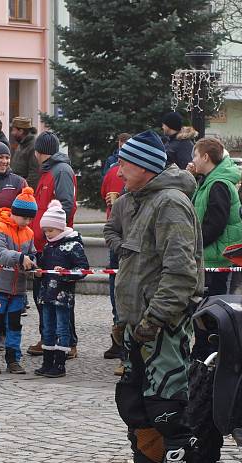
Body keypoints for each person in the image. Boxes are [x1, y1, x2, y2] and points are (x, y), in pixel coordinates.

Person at [99, 130, 201, 463]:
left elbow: (180, 274)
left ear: (143, 166)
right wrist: (128, 325)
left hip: (162, 330)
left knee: (168, 411)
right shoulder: (138, 202)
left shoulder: (170, 204)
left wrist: (152, 321)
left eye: (124, 163)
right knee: (136, 407)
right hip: (136, 329)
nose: (118, 170)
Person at [28, 131, 78, 358]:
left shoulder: (61, 171)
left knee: (61, 297)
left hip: (55, 244)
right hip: (42, 243)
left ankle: (68, 342)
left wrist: (54, 237)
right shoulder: (49, 171)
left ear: (39, 152)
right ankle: (47, 337)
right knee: (44, 296)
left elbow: (66, 205)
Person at [0, 187, 38, 374]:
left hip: (18, 289)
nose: (28, 222)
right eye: (26, 218)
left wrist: (33, 264)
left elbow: (32, 254)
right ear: (15, 213)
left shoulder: (28, 232)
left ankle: (13, 359)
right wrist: (20, 258)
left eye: (31, 219)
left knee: (14, 325)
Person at [34, 199, 89, 378]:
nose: (47, 234)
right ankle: (47, 362)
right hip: (47, 295)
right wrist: (38, 270)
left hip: (63, 297)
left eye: (50, 230)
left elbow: (83, 269)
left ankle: (60, 364)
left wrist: (65, 273)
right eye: (45, 231)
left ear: (60, 227)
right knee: (47, 328)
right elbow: (43, 264)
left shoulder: (73, 245)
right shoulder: (49, 246)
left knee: (62, 329)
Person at [190, 137, 242, 295]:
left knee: (211, 307)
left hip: (214, 257)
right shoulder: (209, 181)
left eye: (195, 156)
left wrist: (194, 244)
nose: (193, 161)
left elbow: (215, 225)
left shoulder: (218, 184)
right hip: (211, 254)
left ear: (205, 157)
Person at [100, 144, 128, 362]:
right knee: (116, 294)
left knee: (123, 297)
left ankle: (124, 349)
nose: (119, 171)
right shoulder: (113, 173)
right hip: (120, 247)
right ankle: (118, 342)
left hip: (130, 253)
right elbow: (110, 228)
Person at [9, 117, 40, 190]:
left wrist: (23, 190)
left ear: (21, 131)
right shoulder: (21, 144)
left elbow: (34, 174)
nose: (12, 133)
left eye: (13, 130)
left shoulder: (33, 146)